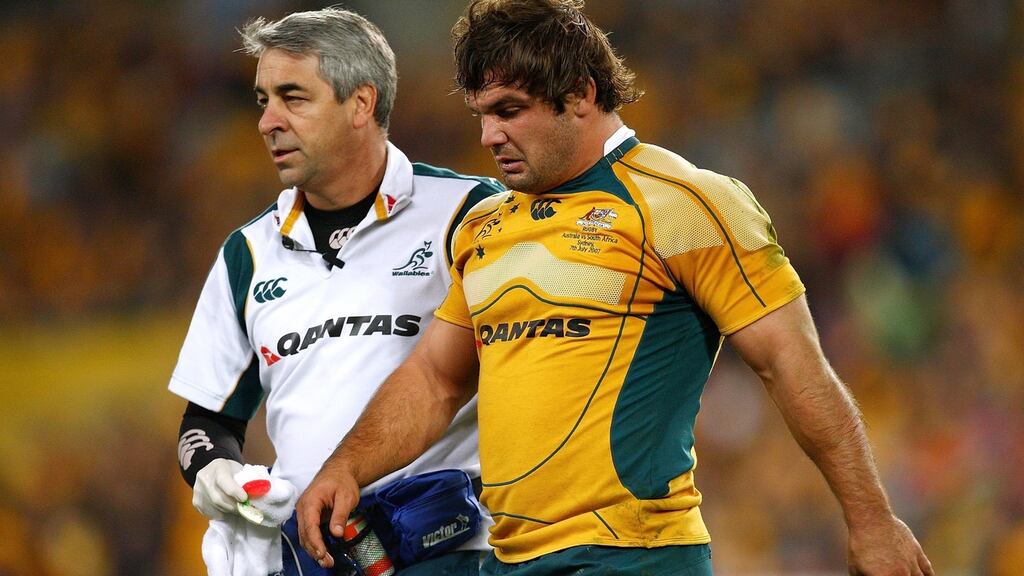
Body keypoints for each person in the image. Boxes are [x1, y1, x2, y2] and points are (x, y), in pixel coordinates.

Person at [296, 1, 934, 575]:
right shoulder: (484, 227)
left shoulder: (685, 203)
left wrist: (871, 521)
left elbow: (792, 364)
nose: (489, 136)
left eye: (509, 112)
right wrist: (346, 466)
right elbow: (436, 378)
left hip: (633, 558)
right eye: (483, 115)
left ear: (579, 93)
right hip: (507, 560)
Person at [169, 7, 502, 575]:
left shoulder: (468, 211)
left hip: (452, 551)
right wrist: (214, 473)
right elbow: (208, 422)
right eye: (262, 100)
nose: (267, 121)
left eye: (293, 97)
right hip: (311, 558)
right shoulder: (245, 254)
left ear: (361, 103)